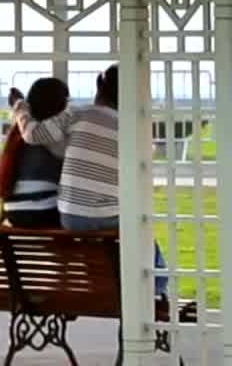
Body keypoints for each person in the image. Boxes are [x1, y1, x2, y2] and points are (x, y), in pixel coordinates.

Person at [14, 67, 170, 298]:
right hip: (109, 216)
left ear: (99, 87)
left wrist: (20, 108)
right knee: (142, 226)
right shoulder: (133, 129)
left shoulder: (77, 114)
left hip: (71, 216)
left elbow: (32, 135)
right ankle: (157, 289)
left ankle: (107, 285)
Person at [0, 78, 69, 229]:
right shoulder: (51, 135)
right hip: (45, 212)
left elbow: (10, 176)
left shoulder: (15, 135)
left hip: (14, 213)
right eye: (65, 101)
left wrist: (1, 216)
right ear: (57, 104)